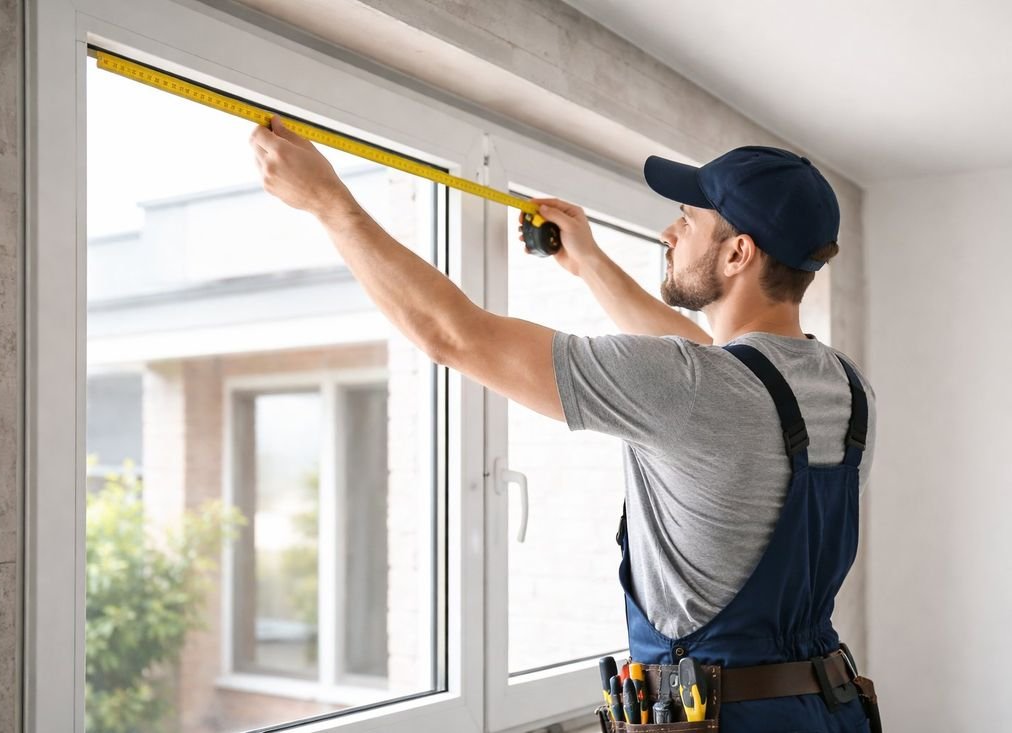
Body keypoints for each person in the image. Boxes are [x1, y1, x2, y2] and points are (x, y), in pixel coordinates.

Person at [250, 121, 879, 732]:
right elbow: (710, 370)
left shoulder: (695, 388)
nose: (670, 232)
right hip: (828, 707)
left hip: (726, 720)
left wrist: (329, 204)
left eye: (688, 221)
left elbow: (453, 335)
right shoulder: (845, 388)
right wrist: (589, 264)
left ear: (739, 252)